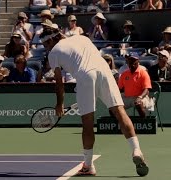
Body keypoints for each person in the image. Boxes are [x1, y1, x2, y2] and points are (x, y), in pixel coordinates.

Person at [39, 27, 149, 176]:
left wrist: (59, 104)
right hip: (105, 71)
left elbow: (59, 83)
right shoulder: (82, 38)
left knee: (88, 123)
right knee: (120, 111)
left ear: (51, 40)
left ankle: (88, 165)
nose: (47, 48)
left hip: (85, 75)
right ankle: (137, 149)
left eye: (46, 45)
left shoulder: (54, 53)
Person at [118, 53, 153, 118]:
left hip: (141, 97)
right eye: (130, 60)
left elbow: (146, 89)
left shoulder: (143, 73)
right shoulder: (124, 74)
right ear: (128, 62)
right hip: (127, 97)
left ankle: (143, 121)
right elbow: (119, 88)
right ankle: (120, 123)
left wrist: (140, 97)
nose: (132, 62)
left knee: (138, 103)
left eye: (134, 60)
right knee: (114, 106)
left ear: (138, 61)